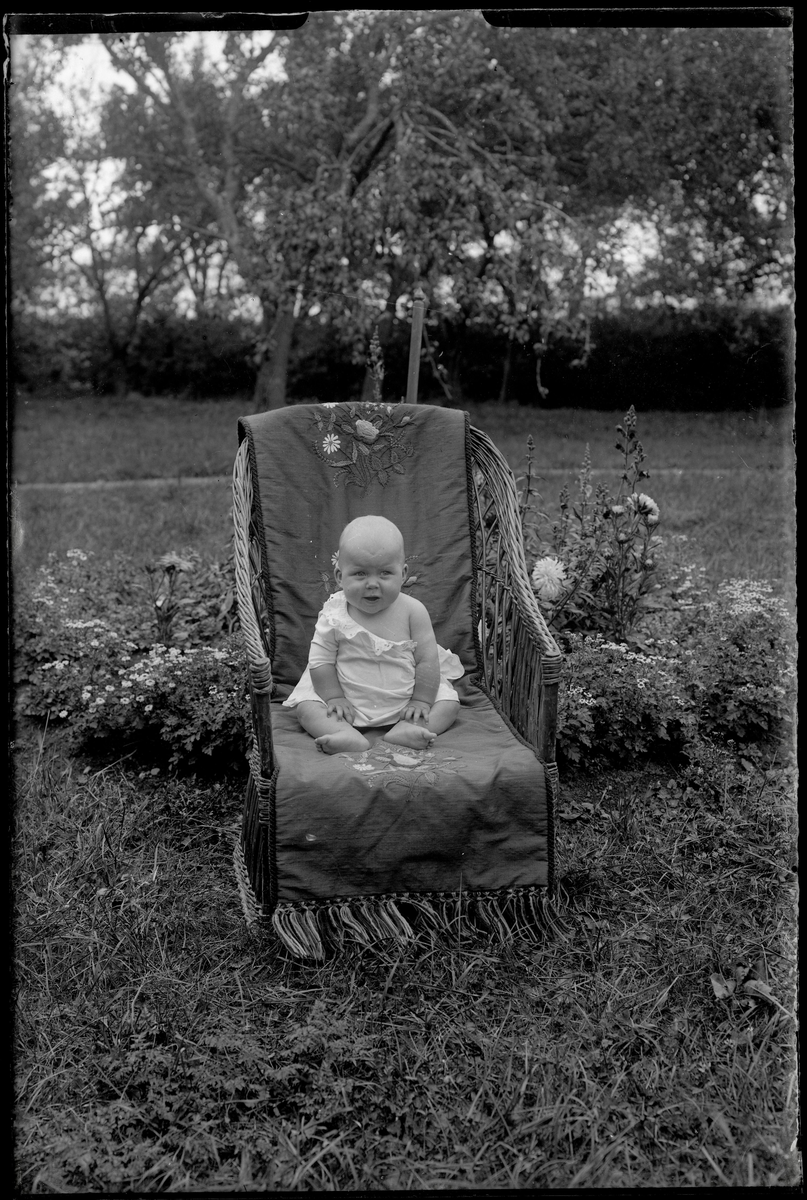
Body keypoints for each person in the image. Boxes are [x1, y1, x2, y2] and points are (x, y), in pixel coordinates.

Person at [284, 515, 462, 754]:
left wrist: (421, 700)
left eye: (385, 573)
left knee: (449, 705)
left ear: (403, 574)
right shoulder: (335, 614)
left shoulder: (413, 611)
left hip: (406, 697)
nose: (372, 583)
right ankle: (343, 733)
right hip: (346, 698)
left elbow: (427, 660)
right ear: (339, 577)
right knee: (306, 708)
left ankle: (407, 729)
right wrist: (334, 698)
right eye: (360, 573)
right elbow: (320, 660)